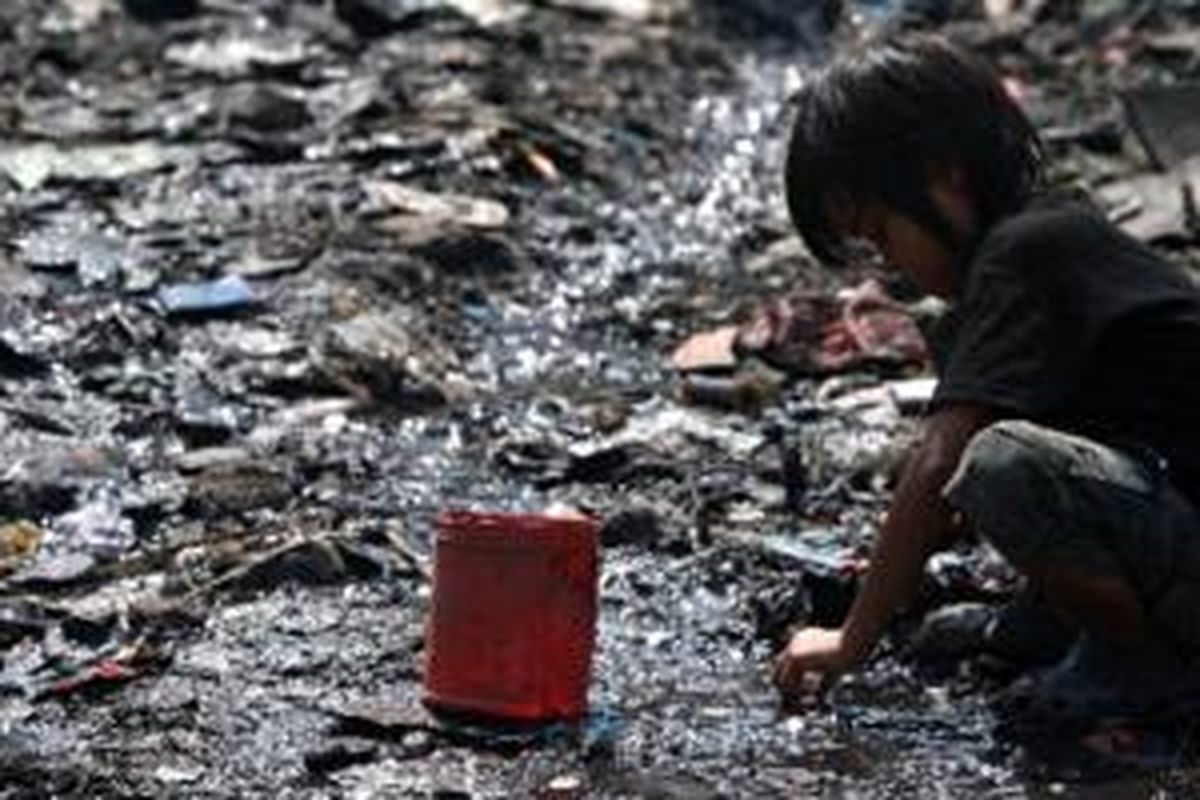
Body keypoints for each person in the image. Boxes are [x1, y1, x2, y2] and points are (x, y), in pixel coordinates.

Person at [771, 33, 1200, 721]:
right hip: (1170, 514)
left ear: (948, 177)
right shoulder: (1033, 254)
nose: (889, 263)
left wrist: (854, 637)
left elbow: (941, 461)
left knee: (999, 462)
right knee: (997, 438)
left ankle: (1143, 661)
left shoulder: (1025, 252)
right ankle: (1073, 622)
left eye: (883, 233)